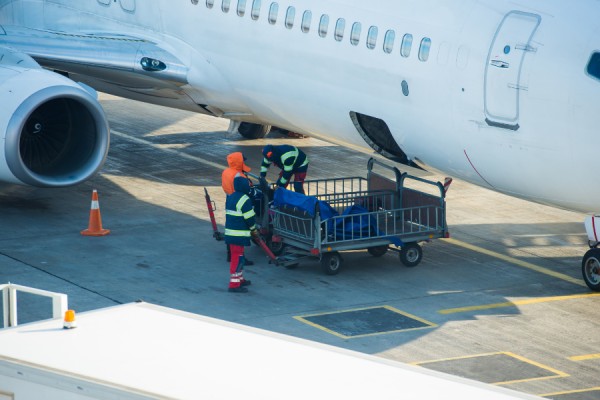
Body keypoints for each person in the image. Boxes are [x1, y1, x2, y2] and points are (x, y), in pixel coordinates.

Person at [225, 176, 259, 293]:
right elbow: (250, 218)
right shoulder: (244, 199)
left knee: (239, 257)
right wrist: (254, 229)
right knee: (237, 258)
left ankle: (240, 279)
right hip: (238, 235)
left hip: (230, 233)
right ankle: (234, 285)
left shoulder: (231, 197)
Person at [221, 152, 255, 265]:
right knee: (239, 230)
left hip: (229, 199)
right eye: (242, 161)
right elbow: (246, 189)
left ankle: (229, 254)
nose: (244, 162)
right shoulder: (238, 175)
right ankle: (241, 258)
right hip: (239, 201)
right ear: (238, 162)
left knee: (230, 226)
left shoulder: (226, 171)